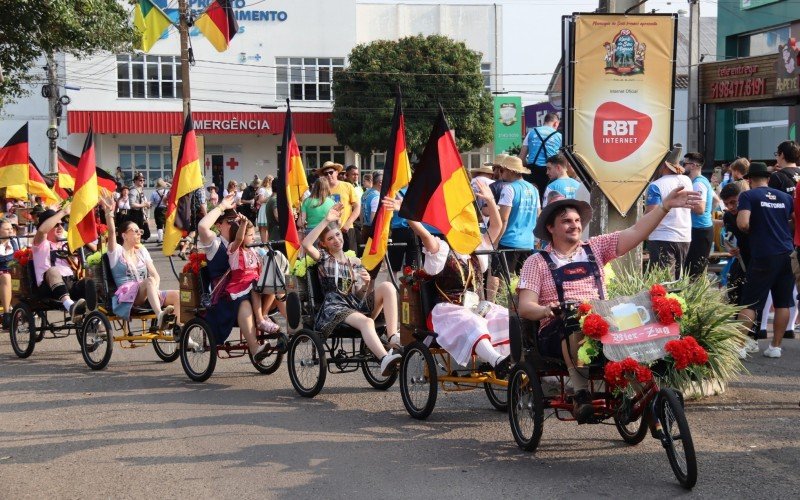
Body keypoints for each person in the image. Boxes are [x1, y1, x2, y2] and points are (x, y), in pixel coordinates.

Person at [517, 186, 701, 422]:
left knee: (636, 323)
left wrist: (664, 207)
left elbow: (636, 232)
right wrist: (547, 309)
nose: (575, 225)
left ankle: (646, 392)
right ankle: (580, 393)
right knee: (574, 321)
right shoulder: (537, 262)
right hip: (556, 330)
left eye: (576, 220)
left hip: (602, 321)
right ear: (551, 228)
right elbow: (525, 306)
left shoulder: (595, 247)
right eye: (566, 221)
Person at [397, 181, 512, 376]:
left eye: (470, 228)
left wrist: (490, 200)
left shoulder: (477, 251)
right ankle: (497, 360)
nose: (469, 231)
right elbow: (424, 235)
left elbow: (497, 226)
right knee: (470, 321)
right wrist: (407, 213)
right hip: (446, 312)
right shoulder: (441, 249)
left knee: (506, 317)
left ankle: (508, 361)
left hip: (475, 308)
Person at [301, 203, 402, 376]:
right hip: (335, 307)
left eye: (338, 235)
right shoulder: (324, 258)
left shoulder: (353, 262)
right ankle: (384, 358)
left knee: (387, 286)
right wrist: (326, 220)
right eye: (331, 238)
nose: (336, 240)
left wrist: (366, 283)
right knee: (367, 322)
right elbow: (306, 243)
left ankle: (392, 337)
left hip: (354, 304)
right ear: (324, 244)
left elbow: (358, 294)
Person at [197, 194, 276, 362]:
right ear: (219, 225)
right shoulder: (215, 243)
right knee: (244, 300)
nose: (235, 224)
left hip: (246, 285)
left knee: (274, 286)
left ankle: (294, 330)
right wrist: (221, 207)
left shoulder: (245, 243)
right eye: (229, 222)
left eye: (237, 221)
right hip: (222, 293)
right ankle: (255, 349)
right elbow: (202, 226)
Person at [736, 162, 795, 359]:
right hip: (786, 252)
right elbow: (794, 220)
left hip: (763, 253)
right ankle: (775, 347)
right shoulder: (786, 197)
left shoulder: (748, 195)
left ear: (749, 179)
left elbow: (743, 222)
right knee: (783, 303)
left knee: (750, 302)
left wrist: (756, 231)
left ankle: (739, 347)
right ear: (768, 179)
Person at [99, 195, 179, 329]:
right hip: (127, 296)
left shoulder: (142, 251)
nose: (139, 233)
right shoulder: (116, 252)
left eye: (140, 231)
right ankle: (160, 315)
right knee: (148, 281)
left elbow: (155, 275)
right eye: (135, 231)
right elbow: (112, 232)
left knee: (178, 295)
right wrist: (109, 213)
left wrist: (155, 290)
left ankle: (179, 332)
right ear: (124, 235)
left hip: (146, 292)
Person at [32, 207, 96, 322]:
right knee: (53, 270)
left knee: (89, 281)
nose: (60, 227)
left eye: (62, 224)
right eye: (56, 225)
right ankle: (70, 306)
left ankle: (94, 319)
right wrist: (63, 212)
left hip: (70, 283)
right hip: (48, 287)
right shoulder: (41, 243)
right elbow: (42, 231)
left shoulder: (66, 243)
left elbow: (95, 249)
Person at [644, 144, 693, 279]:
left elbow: (650, 214)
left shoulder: (656, 185)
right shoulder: (687, 180)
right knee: (678, 281)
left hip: (662, 237)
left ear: (663, 165)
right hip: (684, 236)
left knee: (663, 283)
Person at [226, 214, 280, 334]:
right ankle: (260, 320)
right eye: (250, 235)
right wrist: (244, 224)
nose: (254, 237)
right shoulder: (233, 249)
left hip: (255, 282)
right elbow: (238, 240)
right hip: (240, 283)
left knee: (273, 283)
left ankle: (264, 315)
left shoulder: (253, 250)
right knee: (255, 285)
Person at [496, 156, 540, 274]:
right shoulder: (534, 190)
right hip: (528, 242)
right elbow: (538, 215)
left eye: (502, 170)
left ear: (511, 171)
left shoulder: (509, 189)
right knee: (525, 282)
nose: (501, 173)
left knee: (504, 282)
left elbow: (503, 219)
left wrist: (495, 241)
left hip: (508, 241)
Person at [683, 152, 714, 278]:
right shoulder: (702, 181)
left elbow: (700, 208)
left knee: (694, 272)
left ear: (693, 165)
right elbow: (715, 200)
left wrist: (681, 204)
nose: (682, 167)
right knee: (694, 269)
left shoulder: (698, 183)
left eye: (684, 163)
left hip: (700, 230)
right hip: (701, 229)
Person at [718, 183, 749, 307]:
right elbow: (729, 238)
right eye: (726, 204)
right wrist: (731, 249)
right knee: (733, 287)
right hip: (740, 257)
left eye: (733, 202)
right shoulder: (728, 216)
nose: (731, 207)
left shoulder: (750, 211)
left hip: (756, 256)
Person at [319, 162, 360, 252]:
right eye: (326, 173)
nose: (329, 175)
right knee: (331, 260)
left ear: (337, 172)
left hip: (346, 229)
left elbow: (357, 207)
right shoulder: (321, 190)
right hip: (328, 231)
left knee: (350, 258)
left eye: (331, 172)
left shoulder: (347, 186)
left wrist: (348, 223)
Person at [519, 113, 562, 198]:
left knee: (532, 198)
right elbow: (562, 159)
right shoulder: (559, 136)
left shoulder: (531, 132)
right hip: (550, 173)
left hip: (532, 172)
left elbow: (521, 158)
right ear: (555, 123)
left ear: (544, 121)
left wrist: (527, 165)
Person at [0, 219, 20, 329]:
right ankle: (7, 314)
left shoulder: (14, 241)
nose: (10, 231)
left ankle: (21, 310)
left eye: (11, 228)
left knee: (22, 277)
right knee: (6, 277)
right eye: (7, 229)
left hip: (14, 274)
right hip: (2, 274)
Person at [129, 173, 151, 242]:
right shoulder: (133, 191)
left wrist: (147, 204)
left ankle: (138, 243)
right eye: (140, 180)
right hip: (135, 213)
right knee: (137, 231)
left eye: (143, 180)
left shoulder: (140, 190)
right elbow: (132, 204)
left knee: (144, 232)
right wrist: (143, 205)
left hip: (141, 213)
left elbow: (142, 201)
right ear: (135, 181)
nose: (142, 182)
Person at [361, 172, 382, 243]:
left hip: (365, 228)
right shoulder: (377, 196)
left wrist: (362, 226)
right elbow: (373, 219)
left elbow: (361, 213)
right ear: (380, 182)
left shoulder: (365, 193)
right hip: (374, 231)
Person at [150, 178, 169, 244]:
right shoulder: (167, 192)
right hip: (167, 209)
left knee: (159, 225)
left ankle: (160, 239)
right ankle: (167, 239)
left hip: (158, 209)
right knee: (167, 224)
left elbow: (152, 202)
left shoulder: (154, 193)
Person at [255, 178, 270, 243]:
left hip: (269, 207)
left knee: (269, 227)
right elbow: (261, 200)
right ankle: (264, 243)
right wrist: (270, 198)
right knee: (264, 227)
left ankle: (268, 242)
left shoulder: (271, 189)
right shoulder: (262, 189)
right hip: (264, 208)